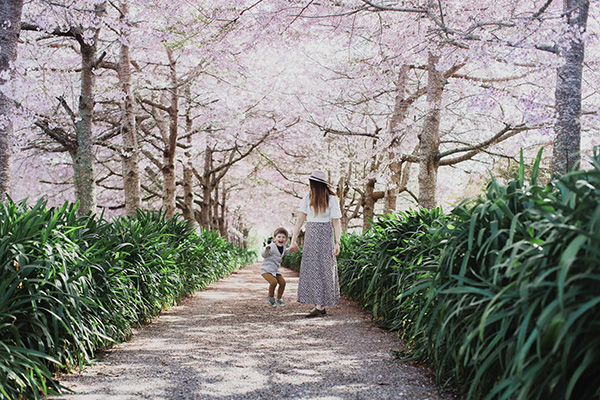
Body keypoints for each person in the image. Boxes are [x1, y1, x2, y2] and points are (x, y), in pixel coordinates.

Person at [289, 170, 342, 318]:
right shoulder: (308, 197)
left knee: (325, 266)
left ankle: (320, 305)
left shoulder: (332, 199)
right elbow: (300, 220)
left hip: (324, 233)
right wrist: (293, 240)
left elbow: (336, 222)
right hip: (312, 233)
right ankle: (319, 305)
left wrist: (338, 242)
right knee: (312, 267)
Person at [261, 227, 290, 308]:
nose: (281, 239)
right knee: (273, 282)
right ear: (274, 238)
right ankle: (270, 297)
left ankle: (279, 298)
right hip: (266, 270)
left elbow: (285, 252)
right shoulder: (271, 246)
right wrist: (266, 250)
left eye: (283, 237)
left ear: (286, 239)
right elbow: (264, 255)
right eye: (279, 237)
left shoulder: (283, 247)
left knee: (282, 282)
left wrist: (291, 250)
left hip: (275, 270)